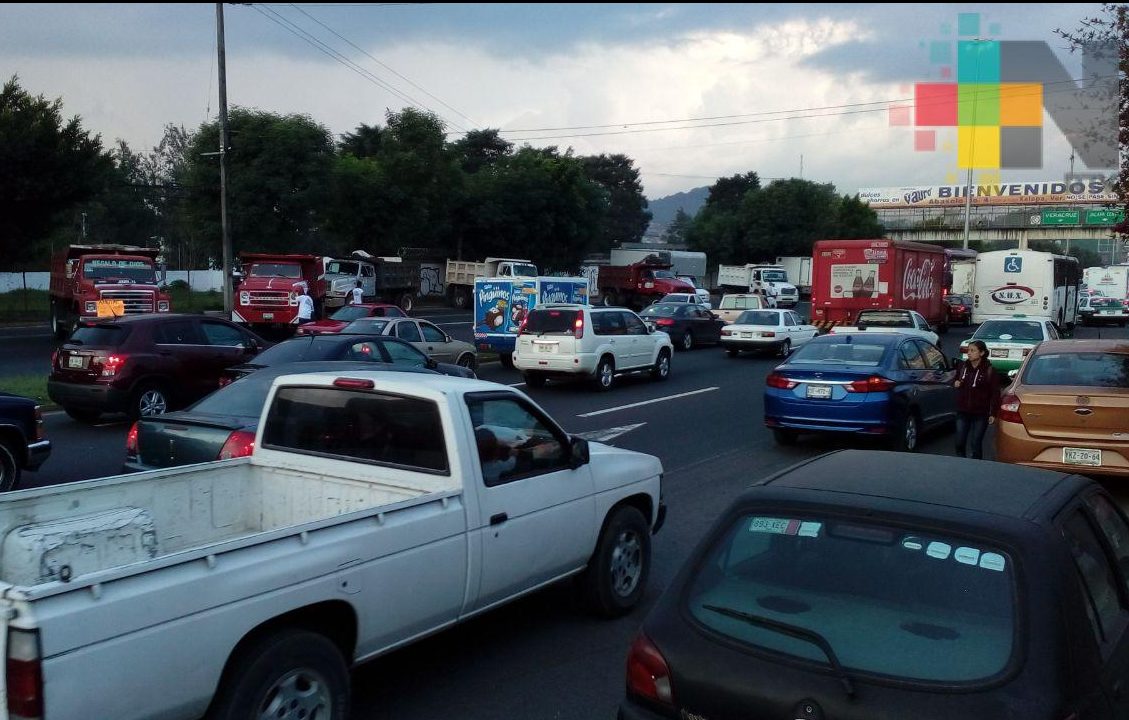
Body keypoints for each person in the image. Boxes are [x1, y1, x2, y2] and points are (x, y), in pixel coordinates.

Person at [953, 339, 1000, 459]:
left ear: (982, 353)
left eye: (973, 351)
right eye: (968, 350)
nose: (969, 353)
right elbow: (955, 379)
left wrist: (993, 413)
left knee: (975, 443)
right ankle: (961, 465)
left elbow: (995, 393)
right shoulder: (963, 367)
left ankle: (976, 467)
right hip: (963, 411)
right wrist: (956, 382)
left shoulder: (989, 371)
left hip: (980, 413)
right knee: (959, 442)